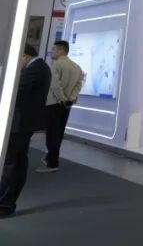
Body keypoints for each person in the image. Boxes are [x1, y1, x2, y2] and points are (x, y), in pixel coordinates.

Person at [0, 44, 52, 217]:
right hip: (22, 123)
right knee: (17, 162)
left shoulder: (37, 68)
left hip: (20, 124)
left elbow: (16, 91)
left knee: (11, 164)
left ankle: (4, 204)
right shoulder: (39, 67)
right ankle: (6, 203)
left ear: (24, 55)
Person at [38, 40, 84, 173]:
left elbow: (55, 85)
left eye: (54, 49)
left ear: (61, 50)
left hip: (54, 103)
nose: (52, 52)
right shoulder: (77, 67)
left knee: (52, 133)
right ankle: (51, 158)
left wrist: (62, 98)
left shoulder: (56, 65)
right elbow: (79, 85)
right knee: (59, 133)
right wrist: (70, 98)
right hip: (67, 105)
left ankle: (52, 163)